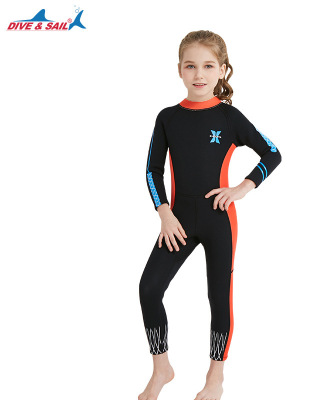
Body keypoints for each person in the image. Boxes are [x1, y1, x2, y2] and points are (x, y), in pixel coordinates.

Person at [138, 30, 282, 400]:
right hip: (178, 221)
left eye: (207, 66)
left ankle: (215, 376)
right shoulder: (168, 117)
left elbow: (272, 153)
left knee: (219, 298)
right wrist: (164, 212)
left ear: (221, 70)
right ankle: (161, 368)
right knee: (149, 288)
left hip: (220, 220)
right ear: (179, 70)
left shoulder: (229, 117)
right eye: (190, 66)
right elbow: (153, 170)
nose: (199, 74)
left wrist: (242, 187)